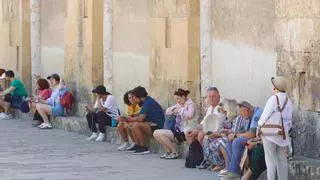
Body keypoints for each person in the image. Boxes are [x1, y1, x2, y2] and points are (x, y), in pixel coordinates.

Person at [256, 76, 293, 180]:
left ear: (275, 87)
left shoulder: (273, 99)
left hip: (269, 134)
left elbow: (265, 115)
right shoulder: (289, 101)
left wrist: (259, 127)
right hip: (282, 135)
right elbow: (289, 121)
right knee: (282, 161)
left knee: (270, 161)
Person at [202, 99, 249, 172]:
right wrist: (225, 132)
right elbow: (233, 131)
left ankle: (227, 166)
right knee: (208, 138)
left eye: (225, 110)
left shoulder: (238, 118)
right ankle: (219, 164)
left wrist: (220, 134)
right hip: (235, 137)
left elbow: (233, 135)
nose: (224, 112)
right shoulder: (234, 118)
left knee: (220, 141)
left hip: (238, 139)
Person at [221, 101, 263, 179]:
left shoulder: (257, 114)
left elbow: (252, 134)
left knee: (237, 142)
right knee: (229, 140)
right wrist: (233, 134)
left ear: (246, 110)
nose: (241, 115)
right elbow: (245, 130)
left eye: (241, 113)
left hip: (260, 139)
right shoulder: (249, 115)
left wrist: (235, 135)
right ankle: (232, 170)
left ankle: (235, 172)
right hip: (253, 136)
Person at [153, 89, 197, 159]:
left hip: (186, 131)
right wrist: (172, 110)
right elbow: (168, 111)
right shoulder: (179, 105)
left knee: (159, 133)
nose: (177, 101)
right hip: (177, 131)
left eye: (178, 98)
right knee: (156, 133)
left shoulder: (191, 104)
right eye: (176, 99)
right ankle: (169, 151)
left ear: (183, 97)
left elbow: (190, 114)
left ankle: (174, 152)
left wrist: (179, 111)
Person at [123, 86, 165, 155]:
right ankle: (137, 144)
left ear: (140, 96)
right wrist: (130, 117)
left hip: (157, 126)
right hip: (150, 124)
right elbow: (140, 114)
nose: (133, 99)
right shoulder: (146, 101)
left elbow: (140, 118)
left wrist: (127, 119)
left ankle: (143, 147)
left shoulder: (148, 102)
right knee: (129, 124)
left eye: (134, 97)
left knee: (135, 124)